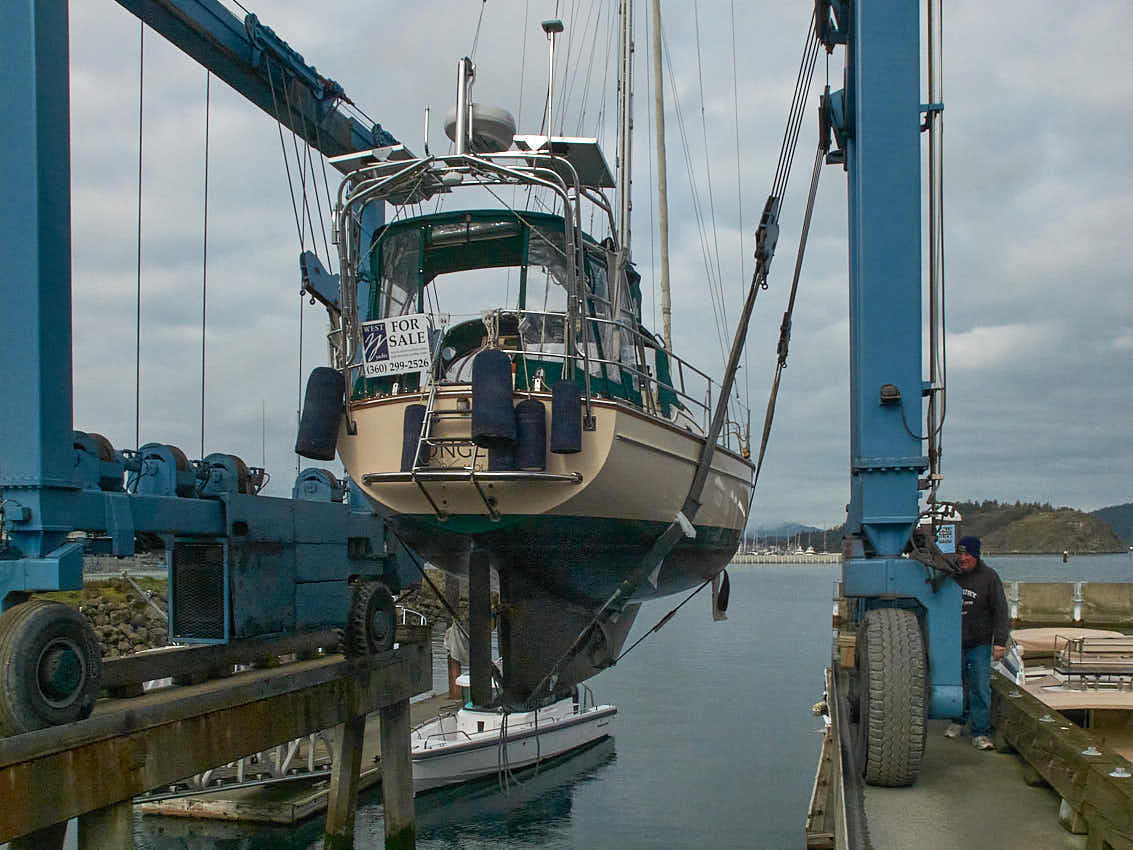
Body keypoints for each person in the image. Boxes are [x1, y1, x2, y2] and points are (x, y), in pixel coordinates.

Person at [945, 535, 1009, 750]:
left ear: (976, 555)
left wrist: (1000, 642)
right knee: (958, 686)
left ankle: (981, 732)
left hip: (980, 644)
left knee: (980, 688)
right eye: (959, 553)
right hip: (955, 643)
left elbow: (1000, 611)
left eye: (966, 554)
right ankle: (958, 720)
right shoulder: (950, 575)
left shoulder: (990, 577)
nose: (962, 558)